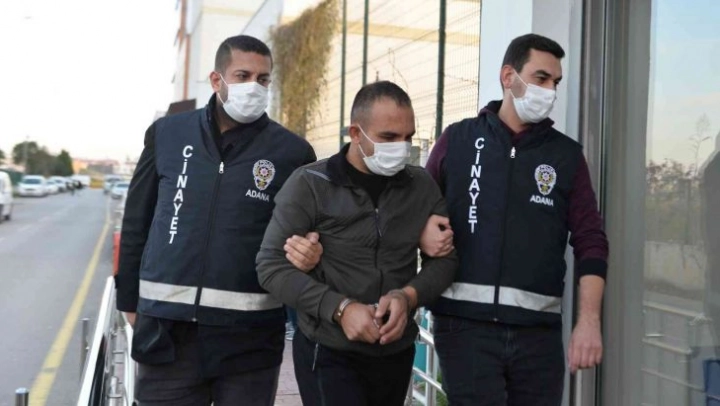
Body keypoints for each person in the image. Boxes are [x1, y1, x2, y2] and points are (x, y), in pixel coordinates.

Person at [115, 35, 321, 406]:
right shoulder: (168, 134)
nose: (254, 87)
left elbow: (306, 235)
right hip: (167, 334)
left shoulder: (293, 152)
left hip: (250, 341)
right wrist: (128, 299)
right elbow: (137, 220)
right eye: (243, 76)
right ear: (216, 80)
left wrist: (309, 254)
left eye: (263, 79)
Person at [423, 33, 609, 405]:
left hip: (537, 337)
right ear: (509, 76)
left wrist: (589, 322)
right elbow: (413, 207)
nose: (550, 90)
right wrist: (423, 229)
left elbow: (591, 240)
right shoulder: (457, 140)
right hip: (464, 329)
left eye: (555, 82)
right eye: (541, 78)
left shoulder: (567, 156)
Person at [256, 81, 458, 406]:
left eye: (408, 137)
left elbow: (445, 259)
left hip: (395, 351)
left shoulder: (420, 185)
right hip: (328, 351)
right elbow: (270, 266)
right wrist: (340, 309)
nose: (401, 147)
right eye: (389, 137)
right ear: (355, 133)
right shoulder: (310, 184)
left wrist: (408, 297)